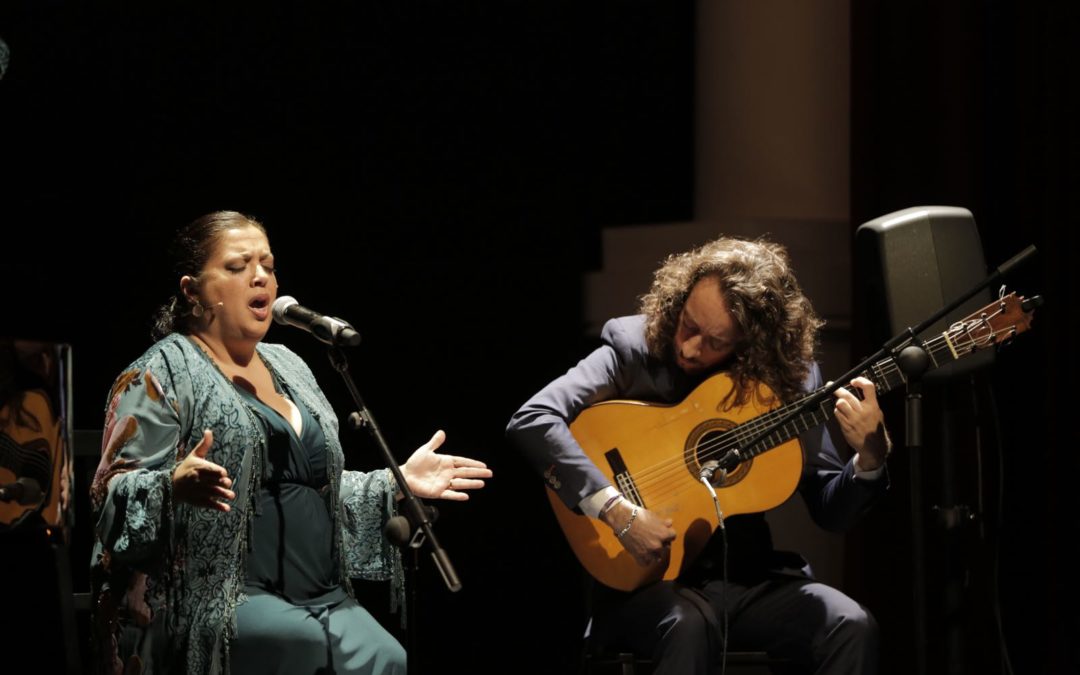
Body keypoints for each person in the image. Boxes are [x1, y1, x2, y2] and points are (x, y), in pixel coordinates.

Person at [89, 210, 492, 675]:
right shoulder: (160, 374)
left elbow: (312, 489)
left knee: (388, 657)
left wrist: (393, 483)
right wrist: (169, 487)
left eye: (268, 265)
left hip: (318, 593)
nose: (260, 277)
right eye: (238, 266)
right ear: (193, 290)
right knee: (302, 648)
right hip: (219, 593)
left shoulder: (290, 366)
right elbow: (109, 498)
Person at [506, 236, 891, 674]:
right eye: (688, 324)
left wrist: (869, 461)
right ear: (680, 298)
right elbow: (533, 418)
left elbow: (831, 510)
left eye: (714, 342)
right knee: (689, 628)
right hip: (649, 587)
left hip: (748, 580)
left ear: (752, 345)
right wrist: (616, 511)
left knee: (851, 625)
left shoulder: (789, 381)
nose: (689, 347)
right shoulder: (634, 347)